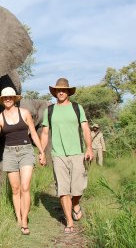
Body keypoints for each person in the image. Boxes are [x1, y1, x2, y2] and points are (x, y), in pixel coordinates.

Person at [0, 87, 46, 235]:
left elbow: (33, 133)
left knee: (25, 187)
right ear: (2, 100)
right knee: (15, 189)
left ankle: (24, 221)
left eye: (10, 97)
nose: (8, 99)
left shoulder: (24, 113)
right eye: (5, 97)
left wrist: (42, 152)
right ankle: (18, 217)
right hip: (10, 154)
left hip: (26, 151)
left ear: (14, 99)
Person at [40, 78, 93, 235]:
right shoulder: (49, 111)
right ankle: (69, 221)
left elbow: (85, 129)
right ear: (55, 92)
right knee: (63, 190)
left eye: (63, 89)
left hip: (77, 153)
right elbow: (44, 132)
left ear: (68, 92)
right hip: (58, 155)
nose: (61, 92)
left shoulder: (77, 108)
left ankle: (76, 203)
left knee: (78, 189)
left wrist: (89, 147)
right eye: (58, 90)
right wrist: (42, 152)